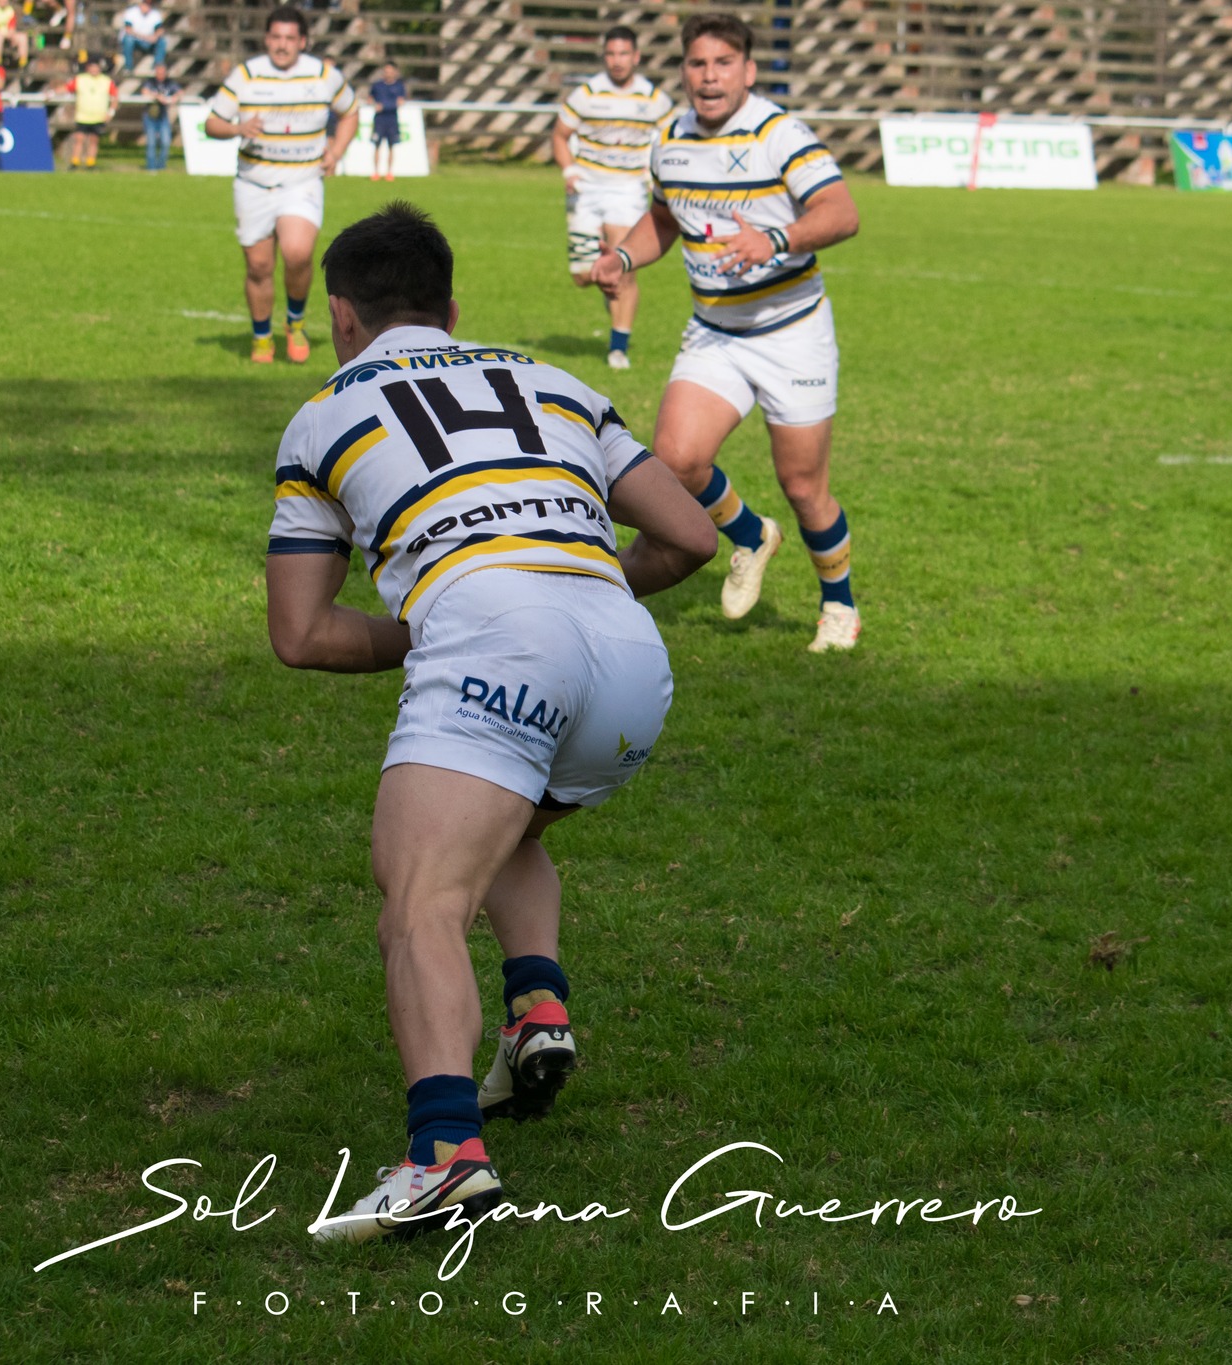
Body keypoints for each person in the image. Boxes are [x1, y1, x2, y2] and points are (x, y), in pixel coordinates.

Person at [267, 203, 715, 1243]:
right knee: (503, 817)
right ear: (453, 307)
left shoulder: (319, 416)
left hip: (490, 636)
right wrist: (585, 586)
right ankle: (535, 1013)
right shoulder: (559, 381)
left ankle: (441, 1159)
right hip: (628, 661)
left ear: (340, 316)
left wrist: (429, 627)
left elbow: (302, 634)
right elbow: (689, 535)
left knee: (420, 899)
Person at [591, 14, 863, 653]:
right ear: (683, 69)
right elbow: (663, 218)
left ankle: (839, 605)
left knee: (803, 487)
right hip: (716, 330)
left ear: (747, 70)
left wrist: (775, 238)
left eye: (722, 63)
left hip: (791, 331)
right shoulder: (670, 138)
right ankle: (748, 536)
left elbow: (841, 212)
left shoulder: (778, 133)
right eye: (696, 63)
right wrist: (623, 259)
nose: (708, 77)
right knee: (676, 460)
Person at [204, 6, 356, 365]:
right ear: (266, 39)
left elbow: (350, 111)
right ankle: (261, 337)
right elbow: (212, 124)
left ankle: (295, 323)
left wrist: (336, 150)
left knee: (298, 252)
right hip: (253, 184)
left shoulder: (323, 74)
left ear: (302, 41)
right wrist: (238, 128)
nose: (282, 45)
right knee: (258, 266)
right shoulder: (246, 75)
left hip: (301, 181)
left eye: (290, 38)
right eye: (276, 37)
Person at [552, 26, 672, 371]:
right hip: (587, 188)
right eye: (611, 54)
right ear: (604, 56)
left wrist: (658, 177)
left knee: (623, 265)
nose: (617, 61)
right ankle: (610, 296)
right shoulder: (586, 94)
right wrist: (569, 170)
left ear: (636, 56)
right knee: (582, 275)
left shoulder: (654, 100)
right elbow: (560, 136)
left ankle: (618, 347)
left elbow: (671, 141)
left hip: (629, 189)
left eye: (623, 54)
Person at [63, 55, 114, 168]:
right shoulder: (81, 79)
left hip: (98, 116)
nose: (94, 69)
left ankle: (90, 162)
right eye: (92, 67)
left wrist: (111, 112)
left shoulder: (105, 81)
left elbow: (115, 96)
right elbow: (67, 88)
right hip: (83, 116)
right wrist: (52, 93)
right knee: (79, 139)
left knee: (94, 140)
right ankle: (75, 161)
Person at [368, 59, 404, 181]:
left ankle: (389, 173)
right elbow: (370, 99)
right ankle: (376, 172)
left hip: (392, 119)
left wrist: (384, 106)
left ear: (395, 72)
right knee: (377, 145)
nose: (388, 73)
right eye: (386, 71)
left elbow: (400, 102)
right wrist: (374, 104)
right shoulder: (377, 85)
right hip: (379, 120)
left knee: (391, 146)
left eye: (390, 71)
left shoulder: (399, 86)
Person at [140, 65, 179, 171]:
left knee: (166, 141)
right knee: (151, 142)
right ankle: (151, 167)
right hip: (150, 115)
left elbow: (179, 92)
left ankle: (161, 166)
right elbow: (144, 91)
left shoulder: (169, 82)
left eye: (162, 72)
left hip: (163, 116)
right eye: (158, 72)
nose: (160, 74)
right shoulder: (150, 82)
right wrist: (158, 97)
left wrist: (175, 97)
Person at [117, 0, 163, 72]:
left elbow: (160, 30)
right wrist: (146, 37)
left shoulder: (155, 13)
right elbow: (128, 30)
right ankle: (128, 67)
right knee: (128, 39)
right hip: (135, 40)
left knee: (162, 41)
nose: (147, 6)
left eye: (149, 4)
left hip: (148, 41)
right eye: (145, 3)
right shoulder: (131, 12)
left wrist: (155, 36)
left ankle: (157, 67)